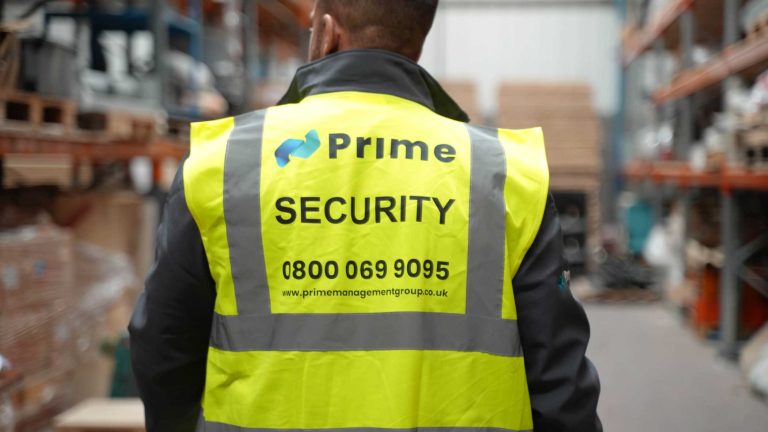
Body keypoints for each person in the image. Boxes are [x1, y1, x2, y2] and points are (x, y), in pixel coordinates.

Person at [128, 1, 602, 431]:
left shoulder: (225, 164)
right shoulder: (504, 174)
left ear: (326, 33)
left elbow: (162, 347)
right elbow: (561, 386)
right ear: (416, 41)